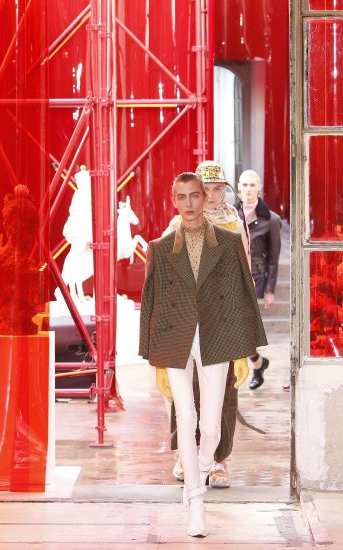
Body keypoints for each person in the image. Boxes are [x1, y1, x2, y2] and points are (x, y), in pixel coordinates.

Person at [139, 172, 267, 537]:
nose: (190, 203)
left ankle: (203, 467)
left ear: (204, 196)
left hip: (217, 336)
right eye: (182, 197)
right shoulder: (161, 247)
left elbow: (242, 295)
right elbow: (152, 302)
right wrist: (153, 356)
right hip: (176, 337)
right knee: (186, 415)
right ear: (174, 201)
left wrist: (245, 351)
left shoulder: (228, 241)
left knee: (210, 427)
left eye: (195, 195)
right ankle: (196, 500)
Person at [163, 160, 251, 488]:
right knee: (185, 390)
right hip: (187, 319)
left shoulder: (234, 224)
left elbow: (245, 277)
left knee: (224, 391)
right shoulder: (178, 224)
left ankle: (219, 459)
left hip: (224, 320)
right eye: (206, 189)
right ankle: (184, 455)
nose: (212, 196)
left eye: (217, 189)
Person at [236, 170, 282, 389]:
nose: (248, 189)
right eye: (244, 185)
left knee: (242, 325)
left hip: (255, 277)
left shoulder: (271, 220)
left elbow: (273, 257)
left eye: (252, 185)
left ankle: (253, 365)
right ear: (238, 188)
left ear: (259, 188)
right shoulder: (229, 216)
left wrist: (270, 289)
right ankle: (258, 363)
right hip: (232, 276)